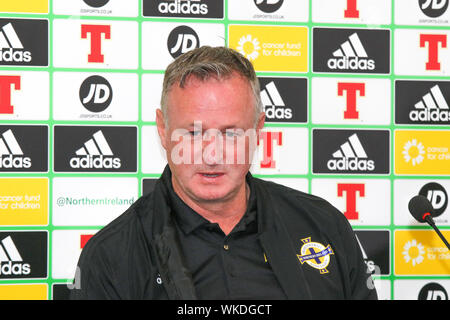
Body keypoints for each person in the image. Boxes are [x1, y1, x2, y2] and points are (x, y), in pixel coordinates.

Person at [70, 46, 377, 300]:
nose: (212, 155)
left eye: (230, 134)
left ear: (258, 131)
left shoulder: (324, 226)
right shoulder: (111, 257)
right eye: (192, 134)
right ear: (162, 130)